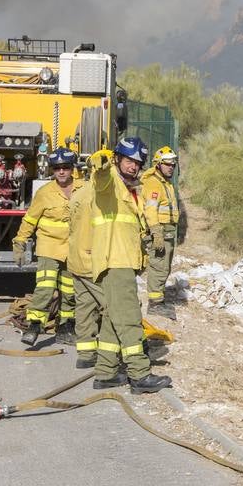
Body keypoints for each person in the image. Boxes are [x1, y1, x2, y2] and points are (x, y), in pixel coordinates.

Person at [67, 136, 172, 393]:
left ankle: (106, 373)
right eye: (128, 161)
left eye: (137, 163)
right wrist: (101, 162)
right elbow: (100, 176)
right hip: (116, 260)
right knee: (129, 318)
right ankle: (139, 373)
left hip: (122, 260)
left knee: (114, 318)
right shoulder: (109, 182)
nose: (133, 167)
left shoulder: (130, 190)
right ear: (117, 160)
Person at [13, 148, 79, 346]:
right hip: (49, 247)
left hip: (73, 249)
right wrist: (20, 242)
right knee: (45, 287)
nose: (61, 172)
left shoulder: (83, 189)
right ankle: (34, 326)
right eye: (57, 168)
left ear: (72, 169)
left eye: (65, 168)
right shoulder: (45, 193)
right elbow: (30, 220)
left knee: (70, 291)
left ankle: (66, 327)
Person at [140, 145, 185, 320]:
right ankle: (155, 304)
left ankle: (158, 299)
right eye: (167, 164)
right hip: (160, 231)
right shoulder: (154, 183)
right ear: (158, 164)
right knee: (159, 266)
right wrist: (157, 233)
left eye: (173, 164)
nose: (171, 167)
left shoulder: (165, 183)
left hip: (167, 231)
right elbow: (150, 211)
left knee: (164, 266)